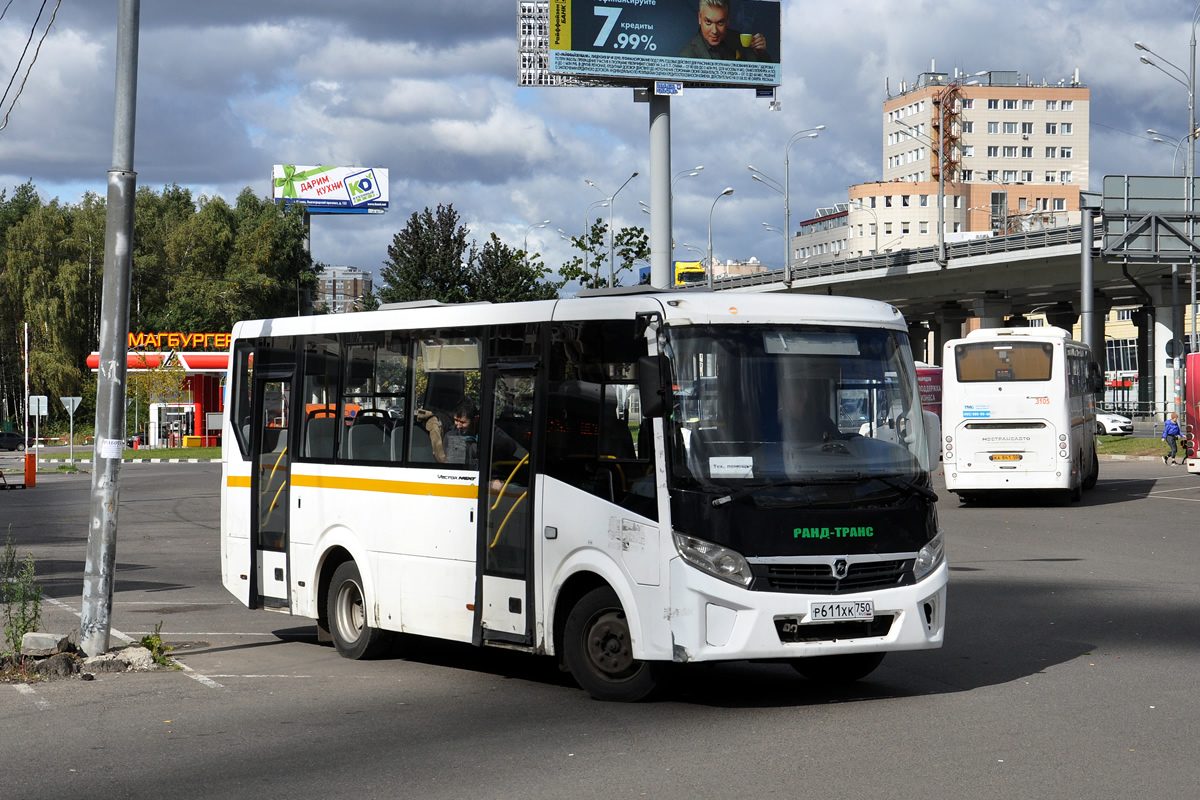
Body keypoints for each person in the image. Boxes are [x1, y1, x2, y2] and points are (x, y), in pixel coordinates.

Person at [677, 0, 772, 62]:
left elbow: (766, 77)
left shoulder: (737, 39)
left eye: (720, 22)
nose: (714, 31)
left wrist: (760, 53)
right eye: (708, 22)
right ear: (699, 18)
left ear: (728, 21)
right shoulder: (687, 56)